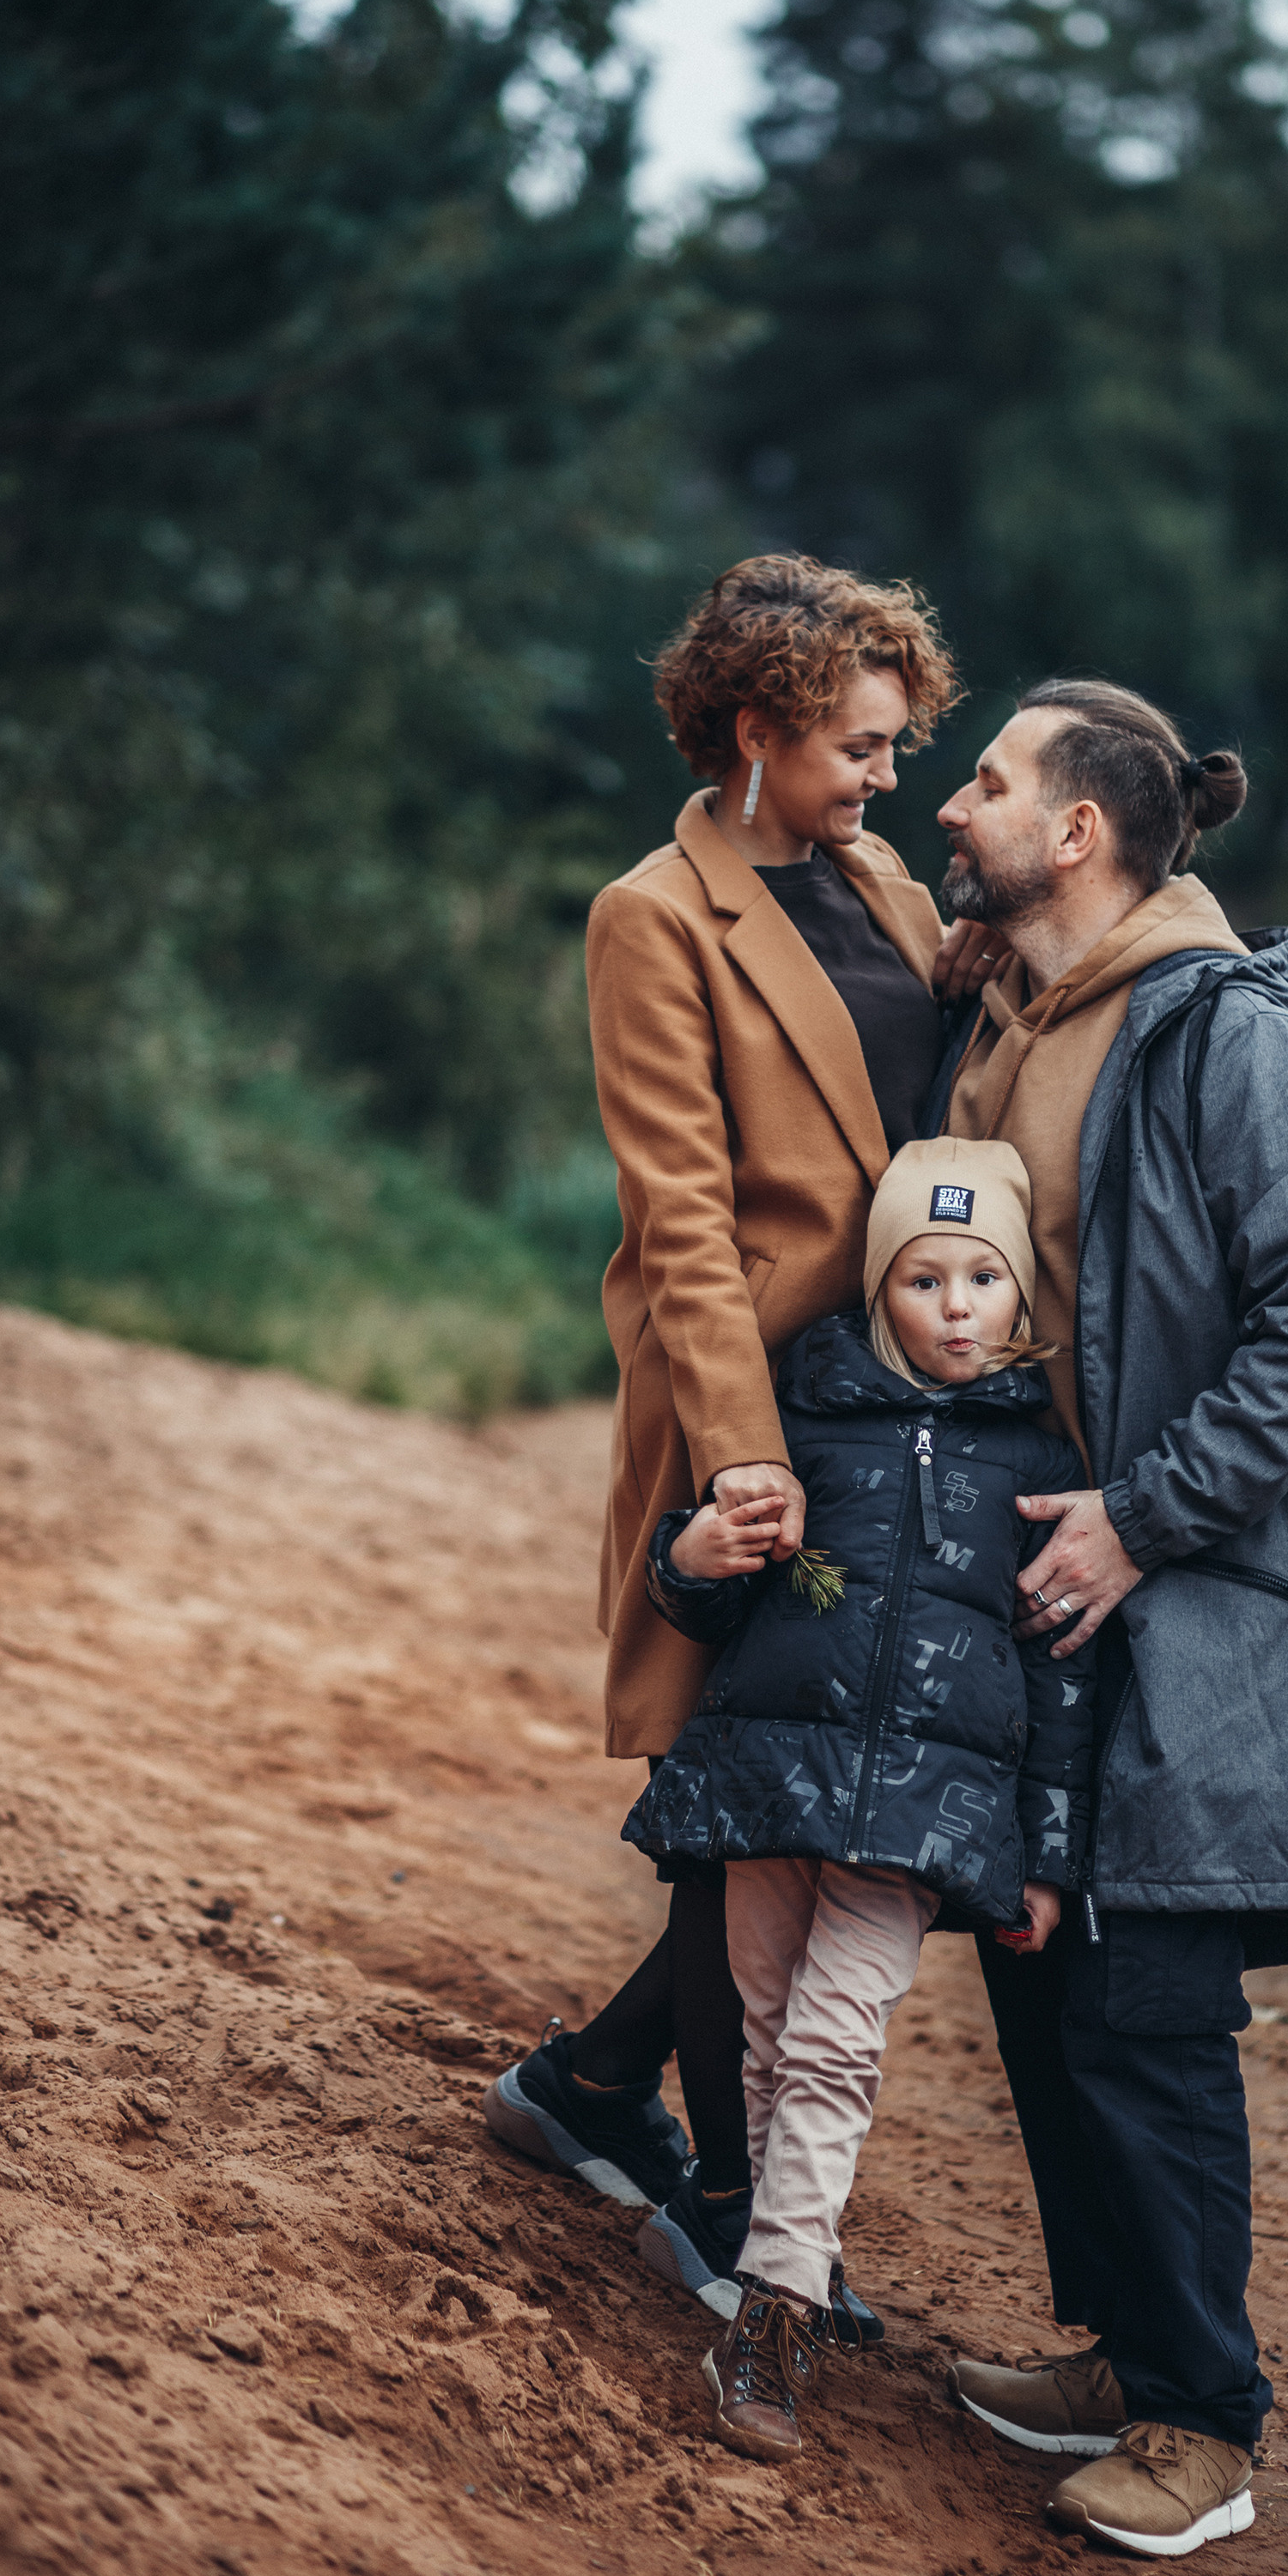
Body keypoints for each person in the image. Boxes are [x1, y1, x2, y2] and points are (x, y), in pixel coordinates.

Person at [927, 680, 1288, 2559]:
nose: (953, 800)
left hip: (1185, 1597)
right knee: (1041, 1976)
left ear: (1078, 832)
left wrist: (1141, 1514)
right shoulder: (1016, 1008)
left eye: (986, 778)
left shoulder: (1234, 1040)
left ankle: (1206, 2425)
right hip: (1041, 1588)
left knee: (1146, 2005)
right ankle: (1125, 2352)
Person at [482, 555, 987, 2337]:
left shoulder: (871, 877)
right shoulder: (653, 916)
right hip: (752, 1405)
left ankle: (585, 2091)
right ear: (757, 731)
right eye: (859, 744)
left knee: (792, 1785)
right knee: (739, 1800)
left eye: (899, 745)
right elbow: (681, 1218)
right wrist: (742, 1457)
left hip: (896, 1404)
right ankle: (719, 2192)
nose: (889, 778)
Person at [623, 1137, 1095, 2464]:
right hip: (773, 1777)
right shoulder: (799, 1413)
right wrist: (692, 1554)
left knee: (835, 2046)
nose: (955, 1307)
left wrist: (1044, 1858)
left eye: (984, 1279)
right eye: (922, 1278)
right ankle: (801, 2265)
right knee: (768, 2043)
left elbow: (1062, 1674)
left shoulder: (1039, 1460)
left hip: (920, 1817)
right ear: (877, 1292)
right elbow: (708, 1583)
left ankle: (766, 2321)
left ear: (1021, 1296)